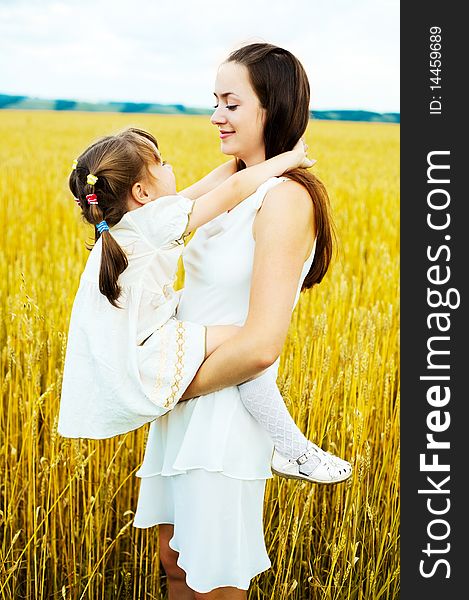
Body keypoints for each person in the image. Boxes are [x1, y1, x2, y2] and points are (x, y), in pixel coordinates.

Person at [133, 43, 351, 599]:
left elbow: (259, 346)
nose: (215, 116)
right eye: (215, 101)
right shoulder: (234, 178)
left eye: (231, 103)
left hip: (225, 400)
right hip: (183, 394)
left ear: (270, 109)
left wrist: (171, 388)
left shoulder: (284, 200)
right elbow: (162, 222)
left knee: (216, 573)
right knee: (175, 562)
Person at [57, 128, 312, 442]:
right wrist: (291, 158)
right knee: (247, 341)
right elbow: (231, 190)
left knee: (239, 339)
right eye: (162, 163)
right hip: (149, 354)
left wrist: (243, 160)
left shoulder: (129, 223)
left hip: (131, 349)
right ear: (141, 192)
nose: (170, 167)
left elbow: (212, 184)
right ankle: (286, 443)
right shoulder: (155, 221)